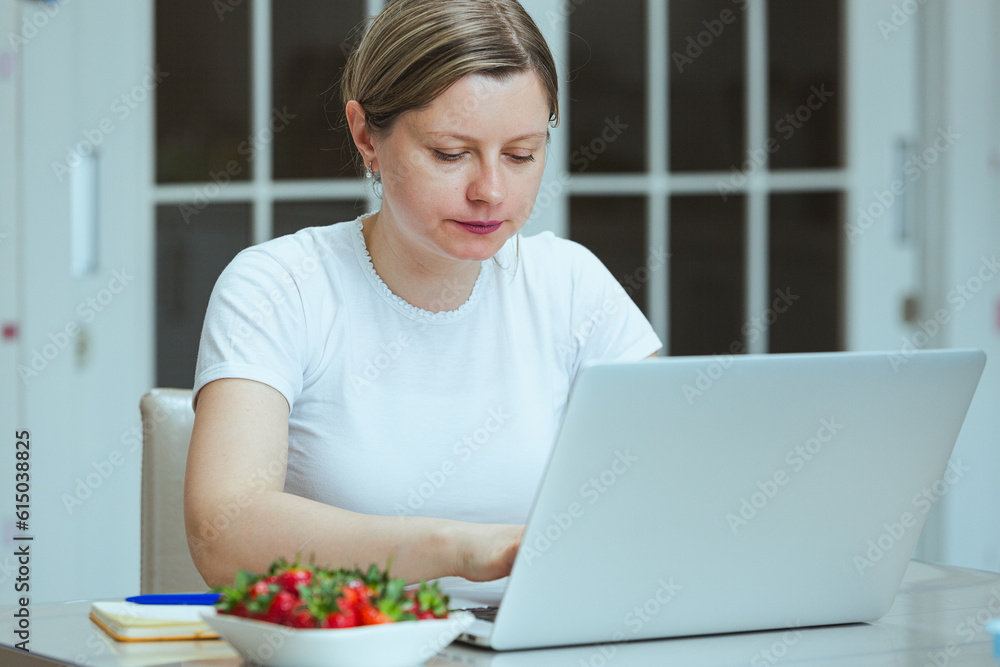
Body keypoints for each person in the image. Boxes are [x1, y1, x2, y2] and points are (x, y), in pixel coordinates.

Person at [183, 0, 662, 588]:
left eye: (521, 155)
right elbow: (224, 532)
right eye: (450, 154)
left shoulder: (571, 284)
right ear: (367, 137)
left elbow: (673, 486)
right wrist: (456, 549)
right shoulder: (281, 286)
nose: (490, 190)